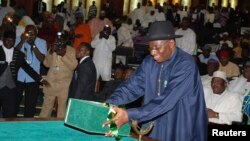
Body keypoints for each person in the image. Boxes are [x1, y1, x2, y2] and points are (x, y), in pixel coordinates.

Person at [103, 21, 207, 141]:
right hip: (155, 125)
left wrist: (128, 115)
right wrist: (109, 105)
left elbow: (166, 100)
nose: (152, 52)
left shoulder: (186, 65)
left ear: (171, 44)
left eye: (157, 48)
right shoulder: (149, 62)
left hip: (180, 124)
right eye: (150, 48)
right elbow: (131, 87)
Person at [0, 30, 49, 118]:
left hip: (11, 90)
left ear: (15, 41)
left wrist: (40, 79)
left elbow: (28, 68)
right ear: (3, 39)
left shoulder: (19, 54)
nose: (9, 42)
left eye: (12, 40)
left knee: (9, 115)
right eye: (7, 40)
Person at [39, 32, 77, 118]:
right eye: (57, 39)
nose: (59, 42)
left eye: (61, 40)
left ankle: (60, 129)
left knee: (61, 112)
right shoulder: (52, 48)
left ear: (65, 41)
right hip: (51, 84)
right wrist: (51, 53)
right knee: (45, 109)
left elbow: (73, 66)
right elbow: (46, 64)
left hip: (64, 85)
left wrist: (63, 54)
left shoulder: (71, 50)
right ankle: (41, 126)